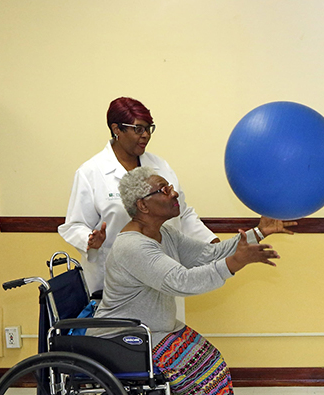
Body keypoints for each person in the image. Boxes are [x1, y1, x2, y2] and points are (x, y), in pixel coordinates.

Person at [94, 166, 286, 395]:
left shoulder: (162, 232)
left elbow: (205, 255)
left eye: (170, 187)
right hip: (128, 339)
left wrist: (258, 231)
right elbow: (182, 281)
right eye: (164, 190)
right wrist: (236, 263)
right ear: (143, 205)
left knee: (212, 360)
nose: (174, 193)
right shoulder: (133, 246)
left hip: (154, 331)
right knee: (196, 372)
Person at [59, 97, 219, 296]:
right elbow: (74, 225)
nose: (146, 135)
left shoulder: (161, 167)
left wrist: (212, 244)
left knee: (165, 324)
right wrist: (90, 240)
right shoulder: (91, 172)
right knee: (128, 327)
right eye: (138, 129)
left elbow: (183, 214)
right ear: (116, 129)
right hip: (117, 280)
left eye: (149, 128)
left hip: (163, 271)